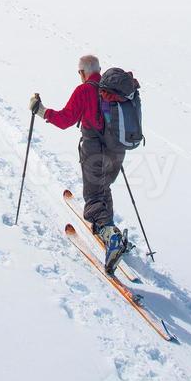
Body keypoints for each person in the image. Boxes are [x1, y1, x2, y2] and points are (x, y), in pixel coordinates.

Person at [29, 54, 128, 272]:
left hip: (95, 152)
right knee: (104, 188)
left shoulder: (84, 90)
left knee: (93, 198)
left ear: (82, 72)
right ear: (99, 69)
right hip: (118, 151)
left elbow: (66, 120)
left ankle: (111, 237)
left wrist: (41, 111)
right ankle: (110, 231)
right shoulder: (115, 92)